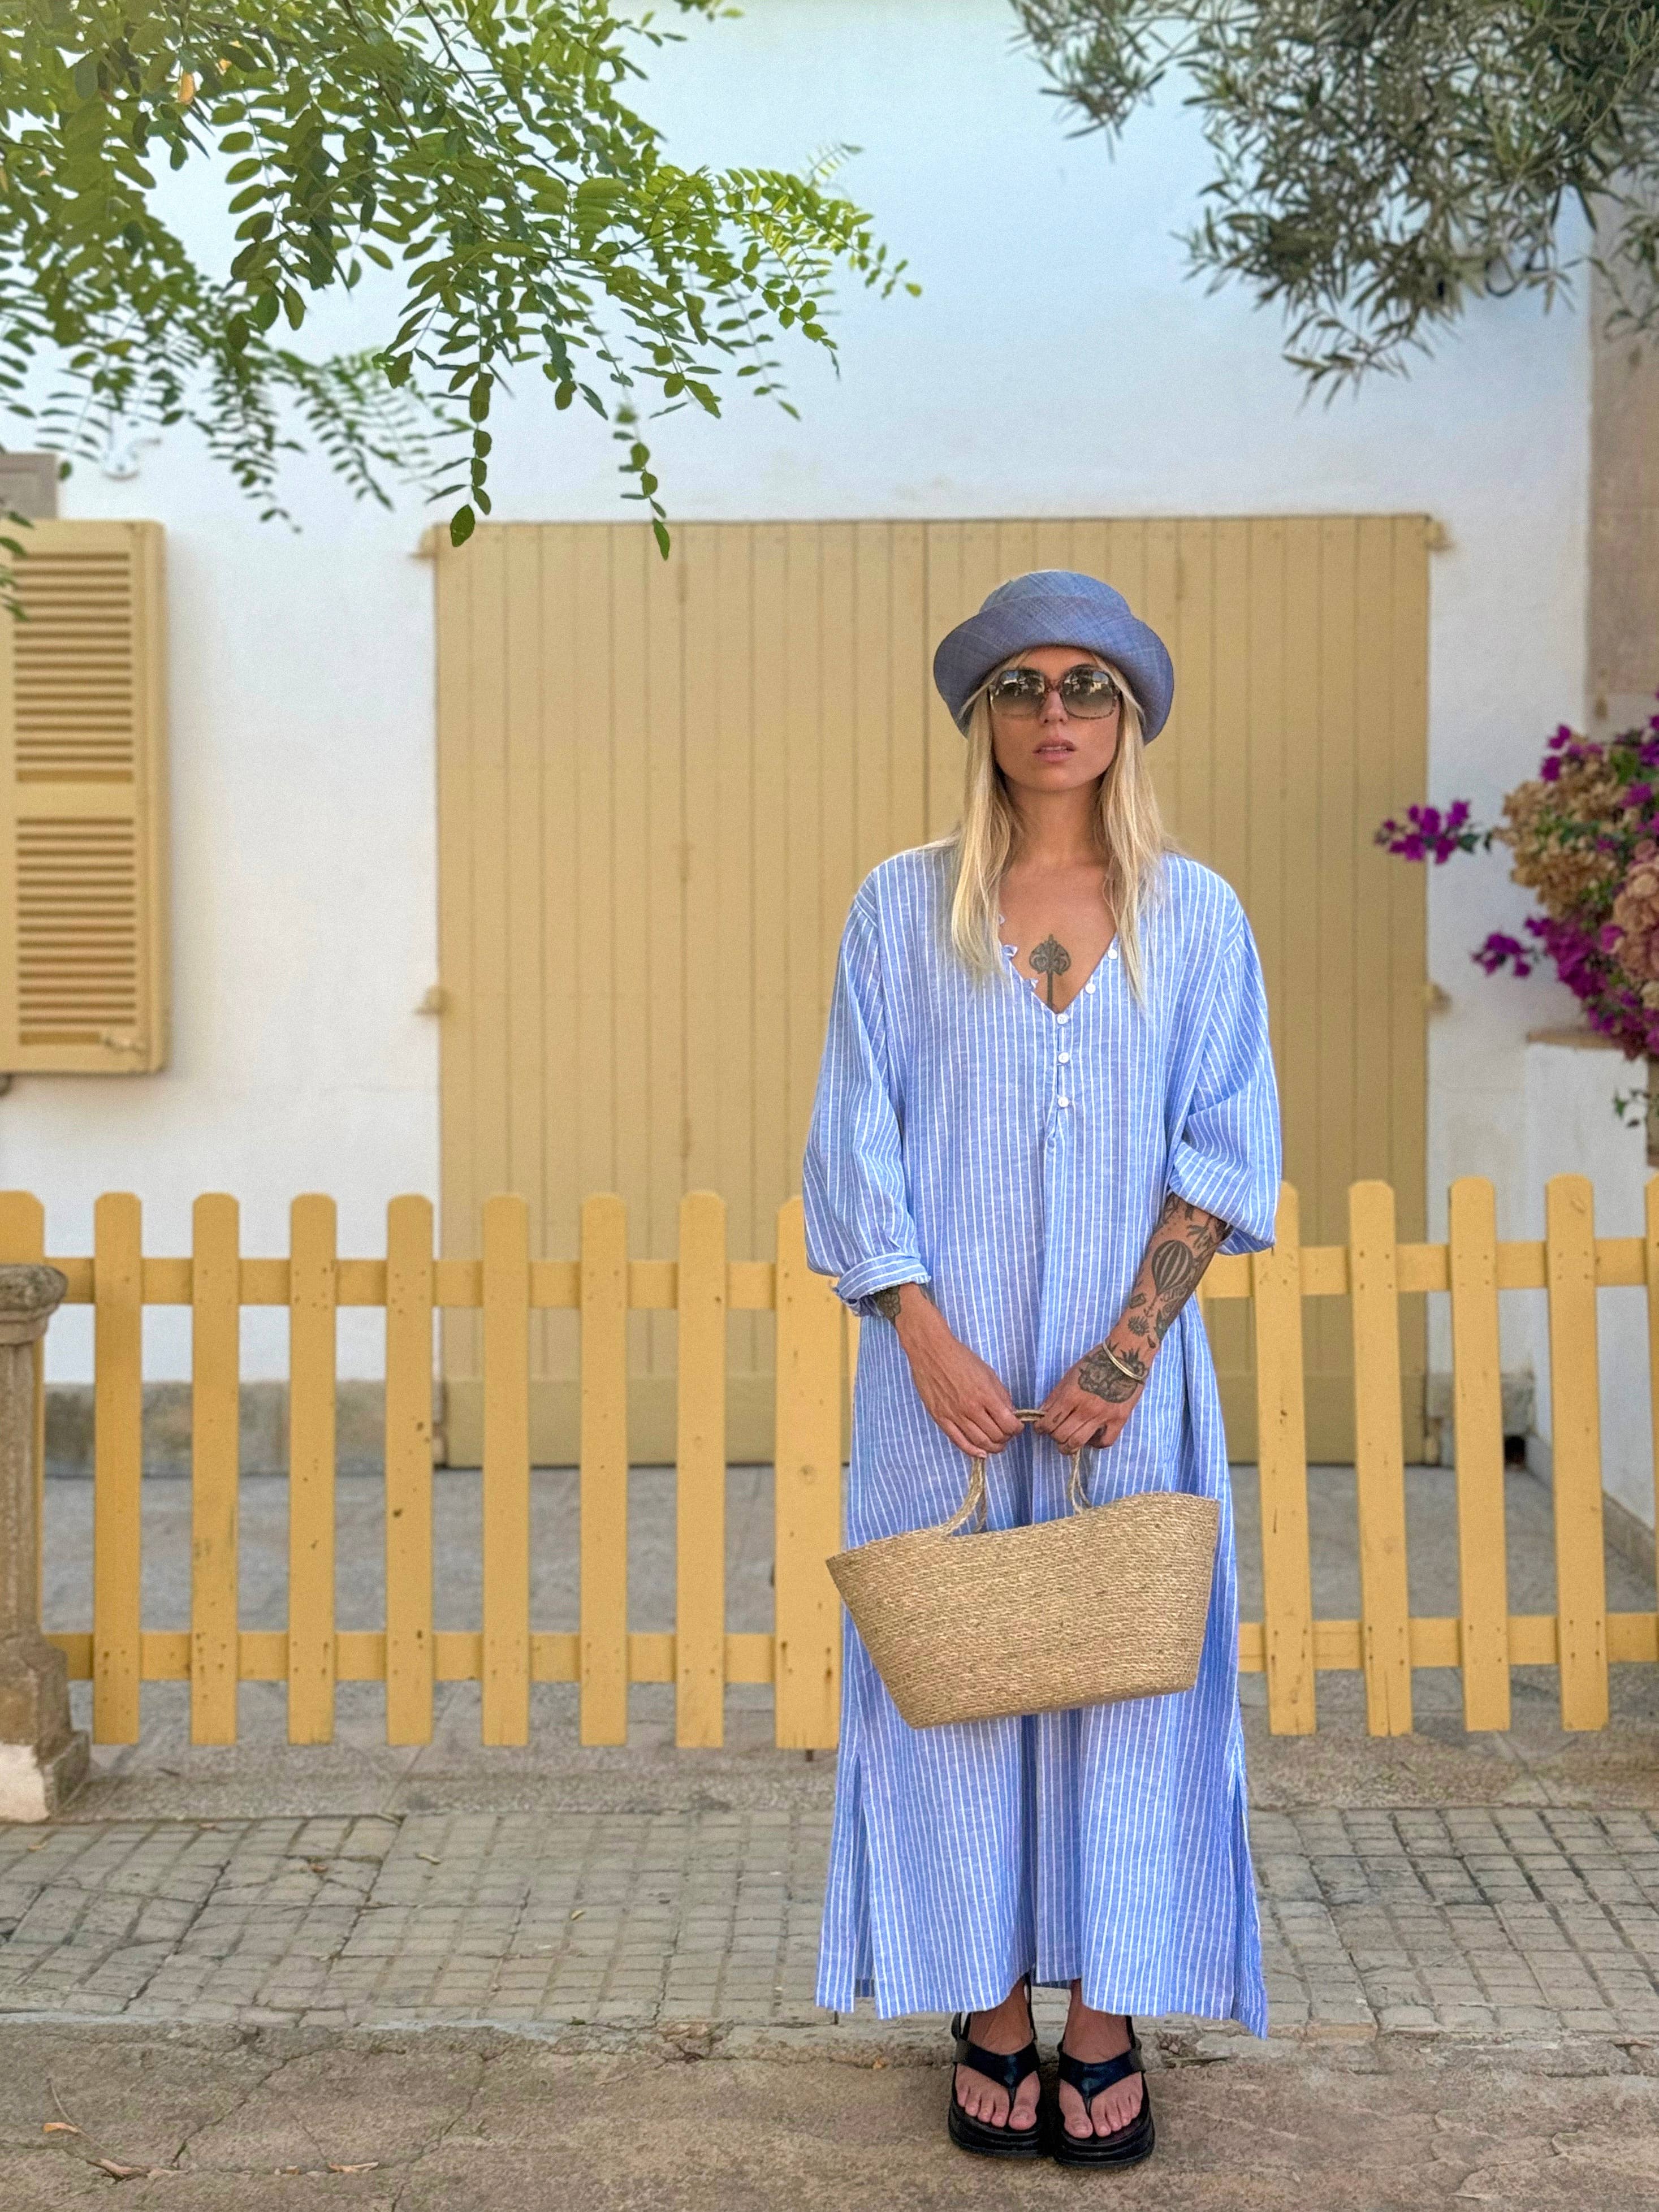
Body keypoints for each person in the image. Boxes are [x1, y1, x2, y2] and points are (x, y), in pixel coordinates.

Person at [802, 570, 1281, 2168]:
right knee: (950, 1686)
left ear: (1127, 717)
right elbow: (855, 1139)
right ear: (984, 718)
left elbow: (1228, 1143)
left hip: (1124, 1395)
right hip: (938, 1391)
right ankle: (991, 2010)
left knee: (1130, 1681)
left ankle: (1106, 2018)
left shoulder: (1197, 916)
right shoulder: (900, 909)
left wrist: (1130, 1349)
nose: (1055, 712)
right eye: (1022, 685)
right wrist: (922, 1335)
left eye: (1087, 686)